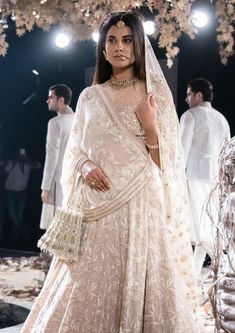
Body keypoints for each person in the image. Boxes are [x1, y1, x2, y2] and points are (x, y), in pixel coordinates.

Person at [21, 11, 203, 333]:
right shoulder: (90, 97)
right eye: (112, 41)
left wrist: (149, 127)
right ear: (103, 48)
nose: (119, 47)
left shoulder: (153, 95)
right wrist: (85, 164)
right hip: (94, 206)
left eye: (127, 40)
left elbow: (169, 167)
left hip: (140, 204)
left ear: (138, 46)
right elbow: (76, 149)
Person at [179, 78, 231, 278]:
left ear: (198, 95)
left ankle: (223, 262)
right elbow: (228, 153)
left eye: (189, 94)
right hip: (216, 180)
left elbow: (181, 151)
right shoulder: (222, 119)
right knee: (206, 226)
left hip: (194, 177)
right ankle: (193, 273)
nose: (186, 98)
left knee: (199, 229)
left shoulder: (190, 115)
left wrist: (175, 179)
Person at [40, 84, 74, 229]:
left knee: (56, 227)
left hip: (57, 179)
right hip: (74, 179)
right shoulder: (78, 119)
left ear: (61, 100)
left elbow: (51, 157)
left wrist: (45, 187)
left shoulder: (55, 123)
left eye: (50, 97)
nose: (47, 101)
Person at [4, 148, 41, 244]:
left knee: (19, 216)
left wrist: (27, 161)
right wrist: (15, 160)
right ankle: (24, 230)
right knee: (13, 215)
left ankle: (16, 237)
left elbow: (38, 165)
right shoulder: (12, 163)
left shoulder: (27, 165)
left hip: (21, 194)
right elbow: (5, 169)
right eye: (20, 156)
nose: (21, 158)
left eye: (23, 156)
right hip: (11, 193)